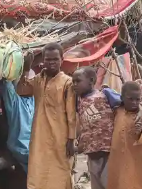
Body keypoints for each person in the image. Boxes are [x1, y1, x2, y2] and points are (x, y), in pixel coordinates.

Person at [17, 43, 76, 189]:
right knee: (38, 171)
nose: (52, 63)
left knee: (61, 172)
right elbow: (21, 90)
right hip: (39, 136)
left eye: (55, 59)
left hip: (60, 136)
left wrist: (71, 139)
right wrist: (25, 69)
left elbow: (72, 113)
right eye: (48, 59)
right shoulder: (38, 79)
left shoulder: (67, 83)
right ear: (43, 60)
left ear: (62, 59)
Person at [73, 67, 119, 189]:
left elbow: (124, 104)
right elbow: (84, 127)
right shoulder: (78, 102)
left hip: (107, 152)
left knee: (109, 184)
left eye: (78, 81)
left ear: (91, 80)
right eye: (73, 82)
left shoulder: (104, 94)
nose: (75, 85)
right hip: (91, 153)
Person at [107, 81, 142, 189]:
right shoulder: (117, 112)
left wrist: (141, 133)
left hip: (140, 160)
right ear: (122, 98)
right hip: (119, 160)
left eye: (138, 99)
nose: (134, 102)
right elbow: (106, 91)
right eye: (130, 99)